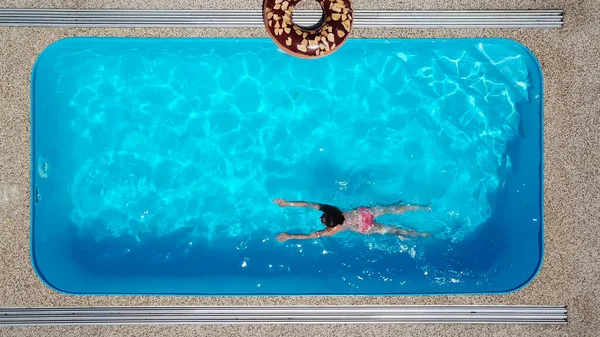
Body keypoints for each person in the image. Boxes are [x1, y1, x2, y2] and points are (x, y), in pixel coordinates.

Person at [273, 198, 431, 242]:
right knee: (391, 209)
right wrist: (287, 203)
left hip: (364, 228)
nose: (321, 218)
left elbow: (310, 236)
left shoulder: (332, 230)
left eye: (323, 220)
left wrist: (290, 236)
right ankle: (423, 208)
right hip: (362, 214)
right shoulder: (332, 209)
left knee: (392, 230)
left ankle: (422, 235)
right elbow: (308, 204)